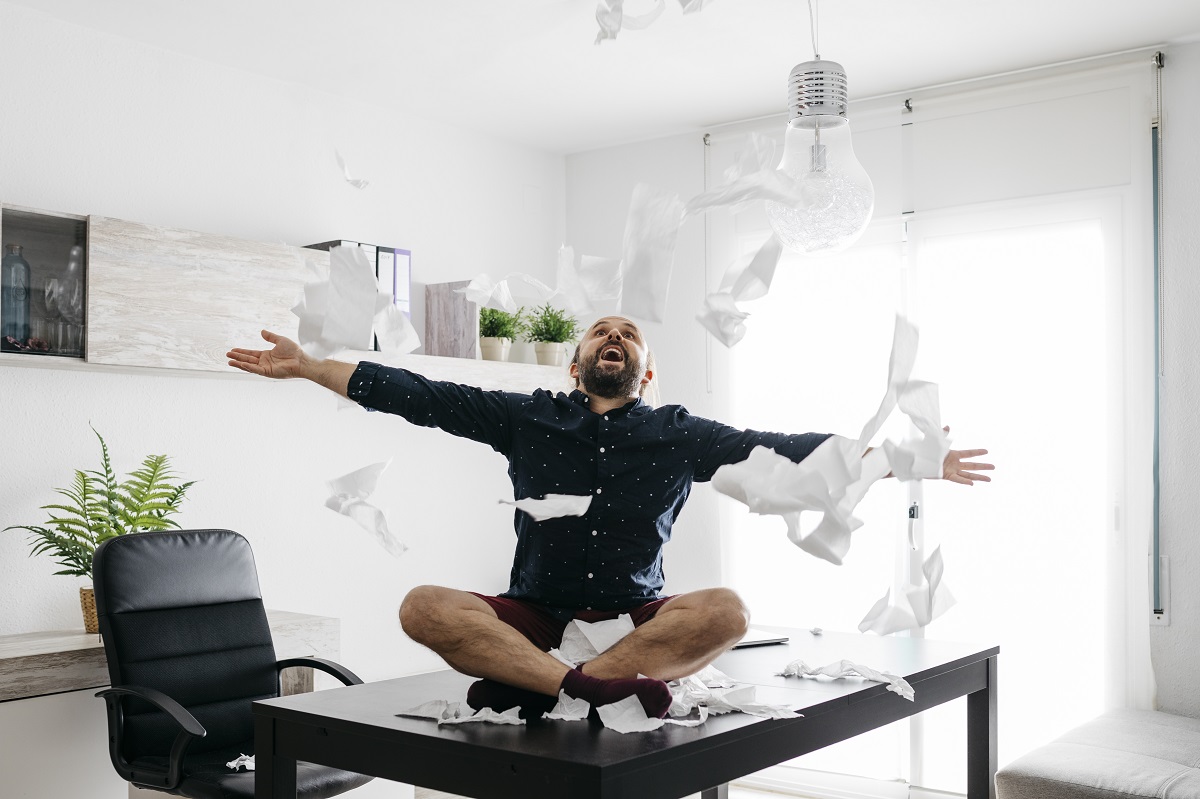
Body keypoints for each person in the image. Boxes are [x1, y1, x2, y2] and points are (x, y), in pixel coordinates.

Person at [227, 316, 992, 719]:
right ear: (577, 361)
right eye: (601, 331)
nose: (614, 338)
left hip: (636, 620)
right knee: (422, 606)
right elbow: (418, 394)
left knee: (727, 609)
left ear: (646, 371)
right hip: (532, 612)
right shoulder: (527, 418)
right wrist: (307, 367)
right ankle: (586, 688)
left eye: (628, 334)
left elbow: (787, 451)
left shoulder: (680, 433)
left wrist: (911, 457)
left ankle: (546, 686)